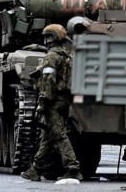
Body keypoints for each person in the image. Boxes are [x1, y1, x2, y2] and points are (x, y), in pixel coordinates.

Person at [22, 24, 82, 182]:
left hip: (53, 101)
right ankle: (35, 169)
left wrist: (43, 102)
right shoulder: (66, 55)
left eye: (47, 37)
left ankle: (72, 167)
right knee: (48, 136)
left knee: (58, 134)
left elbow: (48, 80)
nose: (46, 40)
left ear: (51, 38)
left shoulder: (51, 56)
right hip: (64, 100)